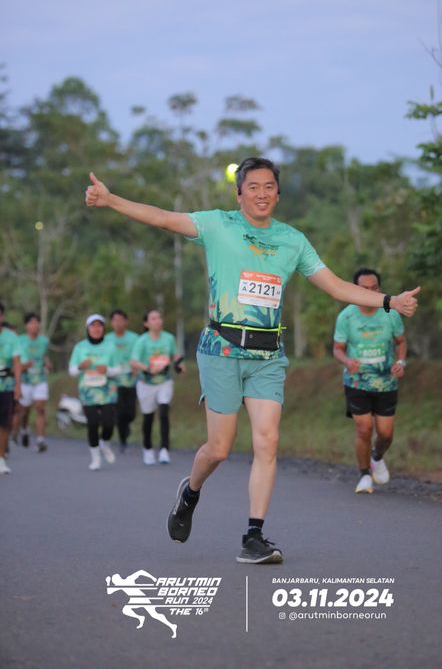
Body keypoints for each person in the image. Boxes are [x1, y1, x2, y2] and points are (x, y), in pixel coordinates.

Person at [85, 158, 419, 564]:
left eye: (269, 187)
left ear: (278, 194)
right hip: (221, 349)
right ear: (239, 192)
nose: (262, 194)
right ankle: (190, 492)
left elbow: (334, 286)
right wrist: (111, 200)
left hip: (267, 355)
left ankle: (253, 536)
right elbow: (163, 218)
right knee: (219, 449)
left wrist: (389, 301)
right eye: (253, 187)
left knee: (268, 441)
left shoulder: (292, 240)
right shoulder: (217, 224)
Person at [333, 268, 408, 494]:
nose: (370, 292)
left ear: (380, 289)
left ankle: (376, 456)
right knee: (364, 428)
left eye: (374, 288)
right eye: (364, 289)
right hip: (357, 382)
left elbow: (401, 342)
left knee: (385, 434)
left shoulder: (391, 314)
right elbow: (337, 349)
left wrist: (401, 362)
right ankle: (364, 475)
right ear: (355, 289)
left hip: (386, 382)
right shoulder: (346, 316)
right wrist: (347, 361)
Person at [130, 309, 185, 466]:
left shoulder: (169, 338)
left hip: (164, 382)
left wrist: (180, 365)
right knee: (148, 417)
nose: (158, 321)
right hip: (145, 384)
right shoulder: (142, 341)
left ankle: (164, 450)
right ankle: (147, 449)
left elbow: (175, 355)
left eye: (159, 318)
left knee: (163, 412)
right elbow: (133, 362)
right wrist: (148, 368)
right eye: (153, 318)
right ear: (146, 323)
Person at [68, 314, 120, 470]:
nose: (96, 329)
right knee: (92, 423)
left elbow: (119, 369)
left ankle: (105, 442)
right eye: (93, 325)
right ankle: (95, 457)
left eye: (99, 325)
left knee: (109, 423)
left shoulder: (111, 346)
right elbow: (72, 371)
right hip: (88, 391)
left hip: (107, 391)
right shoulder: (80, 347)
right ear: (88, 328)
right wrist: (80, 367)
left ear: (103, 328)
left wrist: (107, 370)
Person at [15, 313, 51, 452]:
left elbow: (45, 356)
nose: (34, 325)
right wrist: (24, 366)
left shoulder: (44, 341)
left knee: (40, 408)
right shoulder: (20, 341)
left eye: (36, 322)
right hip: (25, 380)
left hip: (40, 379)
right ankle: (24, 428)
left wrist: (48, 363)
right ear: (26, 325)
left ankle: (41, 439)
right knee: (23, 410)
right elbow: (15, 361)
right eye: (31, 323)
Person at [104, 309, 139, 453]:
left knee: (130, 413)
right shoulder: (107, 339)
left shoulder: (134, 338)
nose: (118, 323)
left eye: (120, 320)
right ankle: (123, 440)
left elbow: (139, 355)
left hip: (131, 380)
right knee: (119, 412)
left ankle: (127, 426)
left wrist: (137, 366)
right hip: (113, 381)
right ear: (111, 322)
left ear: (126, 321)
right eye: (115, 320)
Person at [0, 302, 21, 474]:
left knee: (4, 424)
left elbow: (17, 362)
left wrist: (18, 385)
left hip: (6, 386)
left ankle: (1, 459)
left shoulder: (11, 338)